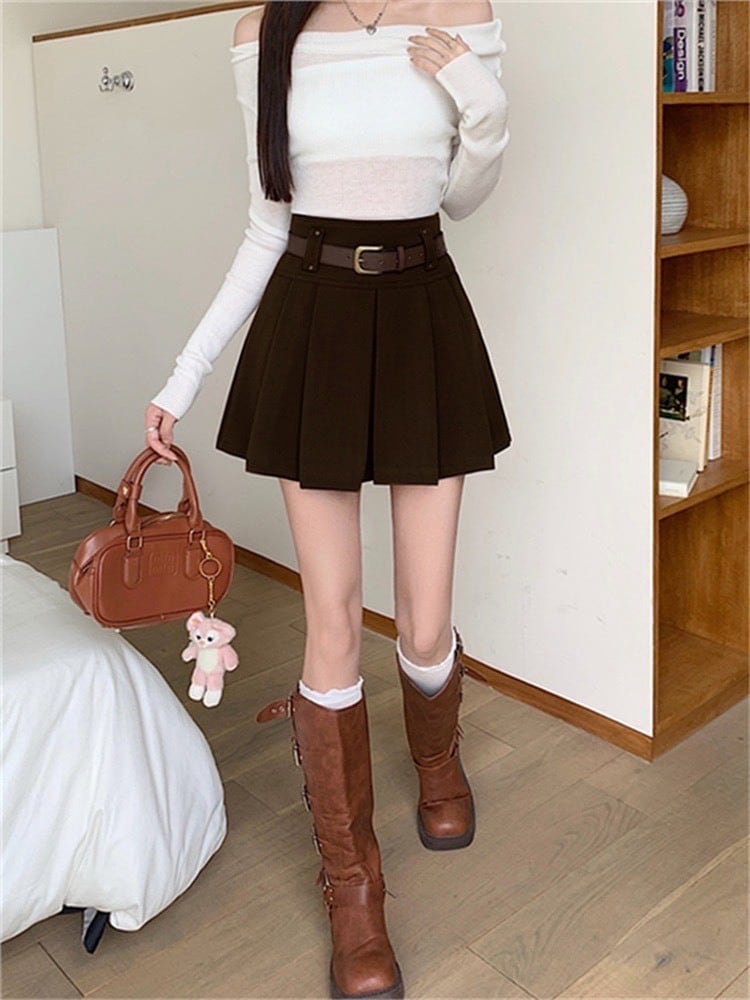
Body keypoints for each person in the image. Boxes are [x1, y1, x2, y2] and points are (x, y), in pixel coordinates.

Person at [145, 2, 512, 996]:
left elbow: (464, 196)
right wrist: (184, 376)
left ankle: (437, 762)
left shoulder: (461, 12)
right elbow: (266, 223)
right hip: (311, 320)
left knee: (424, 622)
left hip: (422, 307)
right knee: (334, 618)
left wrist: (482, 105)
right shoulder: (262, 31)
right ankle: (354, 891)